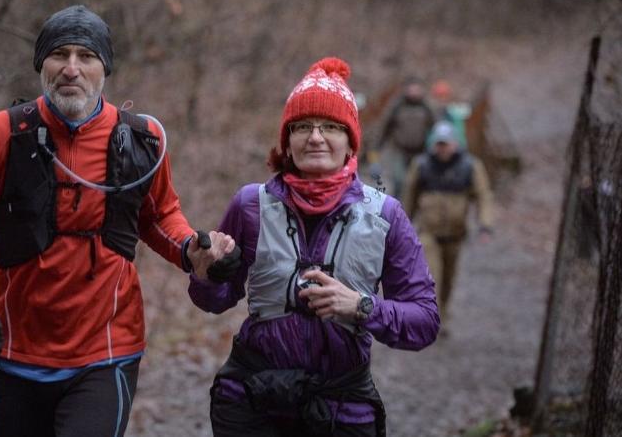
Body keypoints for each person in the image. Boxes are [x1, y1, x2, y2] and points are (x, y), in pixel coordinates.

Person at [0, 5, 233, 437]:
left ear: (106, 69)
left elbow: (158, 216)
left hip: (107, 352)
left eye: (87, 56)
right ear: (41, 64)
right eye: (59, 54)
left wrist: (191, 251)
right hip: (15, 353)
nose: (71, 68)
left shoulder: (142, 139)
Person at [187, 58, 440, 437]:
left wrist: (361, 306)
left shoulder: (386, 215)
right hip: (252, 399)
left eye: (331, 127)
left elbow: (424, 322)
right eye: (302, 126)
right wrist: (205, 275)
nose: (316, 137)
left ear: (350, 141)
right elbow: (215, 299)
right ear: (287, 140)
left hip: (342, 407)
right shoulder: (250, 204)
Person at [401, 120, 494, 331]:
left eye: (446, 144)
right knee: (431, 276)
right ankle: (430, 317)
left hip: (456, 234)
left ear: (456, 144)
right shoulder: (422, 165)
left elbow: (483, 196)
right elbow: (409, 195)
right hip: (429, 232)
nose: (442, 149)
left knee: (449, 278)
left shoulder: (471, 166)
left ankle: (443, 313)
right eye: (439, 144)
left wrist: (485, 224)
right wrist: (402, 225)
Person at [370, 77, 435, 197]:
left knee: (417, 181)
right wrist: (375, 151)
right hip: (399, 151)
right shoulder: (397, 107)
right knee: (400, 181)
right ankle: (398, 207)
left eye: (417, 89)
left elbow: (435, 129)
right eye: (412, 89)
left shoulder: (426, 108)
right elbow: (384, 128)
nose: (414, 92)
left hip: (419, 151)